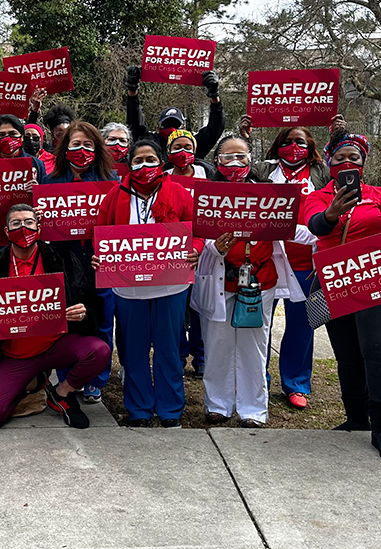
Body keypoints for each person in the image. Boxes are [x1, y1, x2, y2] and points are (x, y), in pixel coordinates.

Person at [302, 115, 381, 465]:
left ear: (364, 164)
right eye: (340, 159)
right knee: (347, 353)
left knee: (379, 350)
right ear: (329, 164)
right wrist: (330, 214)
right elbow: (315, 225)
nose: (347, 164)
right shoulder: (318, 196)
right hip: (333, 281)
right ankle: (357, 418)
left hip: (379, 280)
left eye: (354, 159)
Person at [192, 135, 315, 427]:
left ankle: (253, 410)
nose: (235, 163)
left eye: (241, 157)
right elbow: (198, 238)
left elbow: (291, 228)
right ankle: (218, 405)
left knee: (255, 346)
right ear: (217, 162)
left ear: (251, 159)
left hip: (261, 282)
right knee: (217, 343)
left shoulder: (269, 194)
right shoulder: (207, 196)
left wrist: (323, 231)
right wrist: (215, 247)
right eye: (228, 158)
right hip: (220, 281)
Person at [0, 204, 111, 429]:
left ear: (39, 228)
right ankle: (33, 384)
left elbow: (92, 303)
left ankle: (61, 393)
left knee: (99, 350)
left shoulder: (63, 259)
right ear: (6, 232)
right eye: (16, 224)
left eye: (29, 222)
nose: (23, 228)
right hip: (14, 356)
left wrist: (84, 312)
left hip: (56, 346)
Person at [95, 140, 202, 427]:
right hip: (128, 288)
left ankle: (170, 411)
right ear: (129, 165)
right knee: (133, 349)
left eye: (151, 159)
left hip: (172, 285)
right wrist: (99, 258)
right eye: (138, 160)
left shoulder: (178, 192)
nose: (145, 166)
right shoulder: (114, 195)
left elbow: (198, 229)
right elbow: (101, 234)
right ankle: (139, 409)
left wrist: (197, 249)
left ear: (161, 161)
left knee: (168, 348)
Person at [242, 118, 329, 409]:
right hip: (268, 258)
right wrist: (246, 137)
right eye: (287, 141)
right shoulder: (266, 170)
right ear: (278, 145)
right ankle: (258, 378)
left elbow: (343, 166)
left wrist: (338, 135)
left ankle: (297, 383)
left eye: (300, 142)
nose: (293, 147)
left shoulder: (319, 172)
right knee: (260, 323)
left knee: (302, 325)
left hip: (307, 260)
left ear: (310, 147)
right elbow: (239, 167)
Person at [42, 121, 118, 403]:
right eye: (75, 144)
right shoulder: (51, 182)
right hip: (65, 260)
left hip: (100, 262)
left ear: (97, 149)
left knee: (101, 320)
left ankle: (96, 378)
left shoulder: (111, 181)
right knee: (68, 320)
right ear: (65, 149)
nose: (81, 150)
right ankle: (67, 377)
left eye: (88, 145)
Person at [162, 127, 217, 377]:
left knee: (200, 307)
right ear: (168, 151)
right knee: (176, 308)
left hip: (205, 248)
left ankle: (201, 355)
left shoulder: (209, 174)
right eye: (177, 148)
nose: (182, 152)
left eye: (188, 147)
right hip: (173, 251)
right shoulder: (162, 176)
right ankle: (180, 354)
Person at [124, 67, 225, 155]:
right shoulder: (150, 143)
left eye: (176, 126)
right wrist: (132, 91)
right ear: (159, 126)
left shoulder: (192, 143)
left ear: (184, 127)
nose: (172, 129)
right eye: (167, 124)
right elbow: (135, 123)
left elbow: (215, 129)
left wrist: (214, 96)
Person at [0, 114, 47, 182]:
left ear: (22, 137)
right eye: (2, 135)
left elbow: (45, 191)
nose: (8, 139)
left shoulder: (37, 164)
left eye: (13, 134)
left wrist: (36, 189)